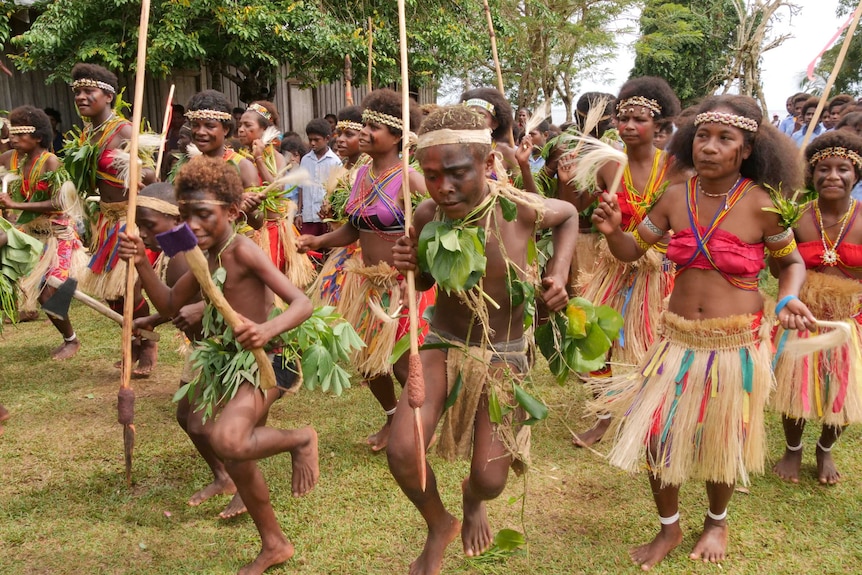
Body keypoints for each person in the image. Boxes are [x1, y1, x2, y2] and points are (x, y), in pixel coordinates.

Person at [591, 94, 814, 569]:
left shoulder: (765, 206)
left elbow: (790, 263)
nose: (710, 147)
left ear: (747, 150)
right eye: (703, 137)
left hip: (734, 343)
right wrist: (613, 230)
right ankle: (669, 528)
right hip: (675, 337)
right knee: (656, 435)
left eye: (725, 139)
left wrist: (789, 297)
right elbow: (632, 251)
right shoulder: (675, 196)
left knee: (722, 438)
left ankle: (717, 520)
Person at [388, 105, 577, 575]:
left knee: (491, 479)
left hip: (504, 355)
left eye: (456, 173)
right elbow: (429, 277)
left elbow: (570, 213)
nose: (443, 187)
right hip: (445, 342)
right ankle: (439, 523)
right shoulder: (428, 213)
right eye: (431, 175)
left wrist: (557, 273)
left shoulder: (520, 210)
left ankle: (474, 502)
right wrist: (410, 263)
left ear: (488, 162)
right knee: (404, 452)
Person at [118, 156, 318, 575]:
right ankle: (275, 543)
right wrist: (139, 261)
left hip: (269, 361)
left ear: (230, 211)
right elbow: (171, 303)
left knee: (229, 440)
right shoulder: (192, 245)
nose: (194, 226)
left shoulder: (243, 249)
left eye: (204, 215)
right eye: (186, 216)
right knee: (200, 426)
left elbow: (302, 303)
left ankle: (300, 439)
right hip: (226, 362)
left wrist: (267, 330)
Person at [297, 89, 429, 452]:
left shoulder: (411, 179)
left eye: (374, 127)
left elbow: (432, 225)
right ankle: (392, 417)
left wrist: (418, 251)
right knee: (369, 364)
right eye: (365, 126)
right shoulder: (362, 176)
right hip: (367, 281)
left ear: (398, 136)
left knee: (403, 366)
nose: (365, 132)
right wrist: (319, 243)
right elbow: (356, 229)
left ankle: (417, 426)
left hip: (403, 285)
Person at [571, 76, 684, 447]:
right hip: (613, 265)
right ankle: (603, 415)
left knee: (653, 342)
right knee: (595, 338)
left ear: (659, 125)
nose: (629, 126)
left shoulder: (676, 168)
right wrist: (565, 178)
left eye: (640, 119)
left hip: (661, 268)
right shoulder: (606, 165)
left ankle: (649, 415)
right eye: (623, 118)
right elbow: (574, 207)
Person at [772, 130, 862, 485]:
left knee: (840, 392)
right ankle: (793, 447)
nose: (833, 176)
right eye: (823, 168)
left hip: (849, 320)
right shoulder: (795, 216)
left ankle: (825, 447)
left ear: (856, 174)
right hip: (803, 314)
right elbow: (777, 267)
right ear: (811, 173)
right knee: (795, 387)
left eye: (843, 169)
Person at [64, 63, 157, 375]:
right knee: (113, 292)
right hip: (104, 220)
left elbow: (151, 173)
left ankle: (147, 345)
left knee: (129, 289)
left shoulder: (124, 131)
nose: (81, 97)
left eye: (89, 91)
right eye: (77, 91)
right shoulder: (89, 134)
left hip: (127, 219)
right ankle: (133, 340)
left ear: (107, 95)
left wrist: (132, 170)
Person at [0, 106, 88, 360]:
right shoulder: (10, 159)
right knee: (41, 292)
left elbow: (59, 203)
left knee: (51, 291)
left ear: (38, 137)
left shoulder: (51, 162)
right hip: (29, 233)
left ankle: (71, 340)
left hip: (57, 233)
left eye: (20, 134)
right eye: (11, 134)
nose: (13, 139)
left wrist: (15, 205)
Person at [237, 101, 314, 288]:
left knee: (272, 281)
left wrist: (259, 159)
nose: (241, 130)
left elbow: (278, 189)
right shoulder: (237, 159)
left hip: (272, 230)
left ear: (264, 130)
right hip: (245, 228)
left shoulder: (276, 157)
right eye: (240, 124)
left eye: (248, 126)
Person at [297, 118, 342, 236]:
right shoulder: (305, 160)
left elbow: (337, 191)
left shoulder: (335, 162)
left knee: (328, 251)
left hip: (326, 218)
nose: (312, 143)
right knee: (309, 252)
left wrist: (334, 215)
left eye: (316, 140)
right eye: (310, 139)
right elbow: (301, 187)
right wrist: (299, 213)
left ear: (327, 139)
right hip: (308, 216)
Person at [460, 88, 518, 175]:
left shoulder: (508, 154)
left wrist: (524, 166)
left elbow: (524, 188)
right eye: (469, 114)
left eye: (481, 115)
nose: (474, 120)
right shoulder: (455, 150)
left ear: (495, 123)